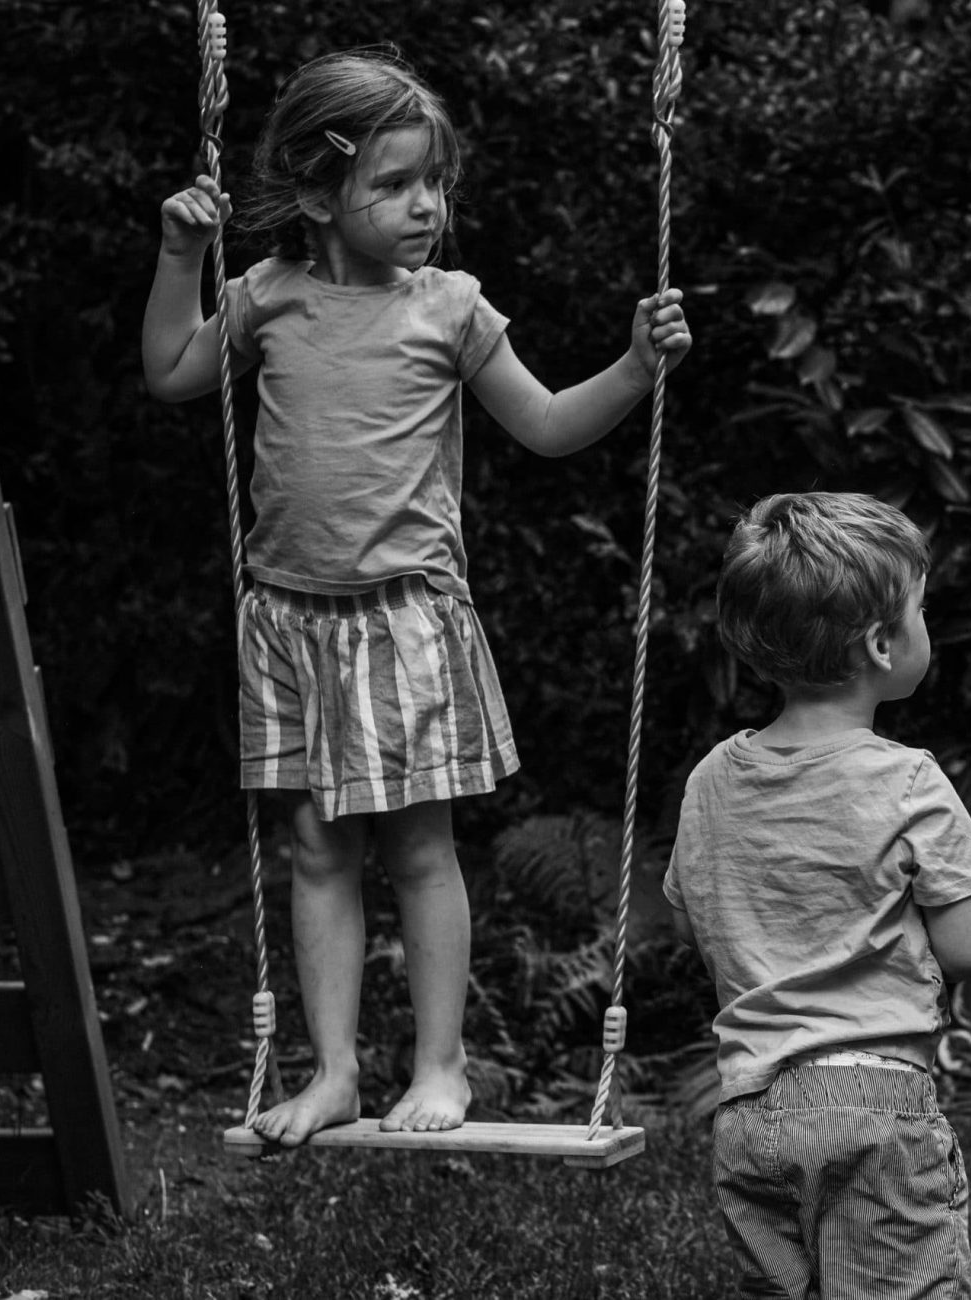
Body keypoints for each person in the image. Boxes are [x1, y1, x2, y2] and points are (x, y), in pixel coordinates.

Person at [139, 46, 692, 1146]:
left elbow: (542, 426)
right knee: (312, 849)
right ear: (317, 197)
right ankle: (334, 1070)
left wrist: (634, 368)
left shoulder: (450, 308)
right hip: (288, 622)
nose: (426, 204)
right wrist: (176, 255)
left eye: (434, 180)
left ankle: (440, 1067)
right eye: (394, 184)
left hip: (403, 616)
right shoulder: (263, 298)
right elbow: (169, 374)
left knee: (419, 848)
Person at [665, 492, 971, 1299]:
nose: (929, 627)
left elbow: (690, 920)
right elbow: (970, 947)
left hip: (747, 1110)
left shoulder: (713, 776)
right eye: (922, 612)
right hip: (873, 1099)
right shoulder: (906, 778)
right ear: (884, 643)